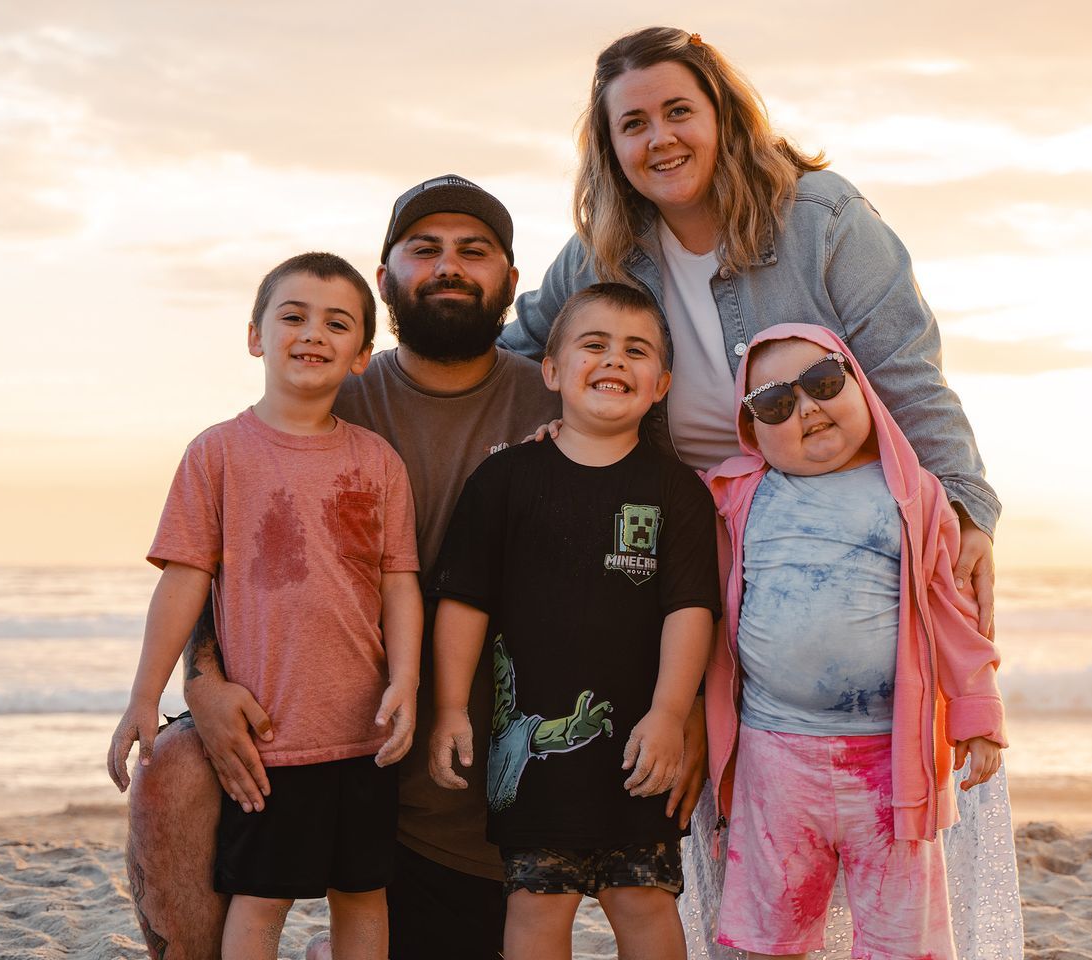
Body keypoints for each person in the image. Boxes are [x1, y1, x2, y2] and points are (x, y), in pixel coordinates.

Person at [119, 175, 572, 960]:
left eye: (475, 251)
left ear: (509, 278)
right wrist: (203, 682)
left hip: (462, 774)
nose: (448, 267)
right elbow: (214, 553)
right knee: (178, 767)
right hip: (303, 727)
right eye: (423, 250)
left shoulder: (556, 405)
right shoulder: (330, 397)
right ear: (386, 277)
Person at [499, 26, 1001, 634]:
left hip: (832, 545)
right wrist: (552, 426)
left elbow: (907, 375)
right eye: (633, 124)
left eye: (678, 111)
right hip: (681, 552)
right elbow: (516, 355)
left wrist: (962, 510)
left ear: (722, 116)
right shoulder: (600, 255)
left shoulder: (822, 220)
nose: (661, 139)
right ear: (611, 148)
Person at [106, 251, 422, 960]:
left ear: (362, 356)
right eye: (294, 316)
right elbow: (183, 581)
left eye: (337, 323)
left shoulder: (377, 462)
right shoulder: (216, 454)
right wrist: (143, 695)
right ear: (255, 336)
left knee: (363, 893)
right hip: (269, 737)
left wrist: (407, 680)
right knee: (262, 896)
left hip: (363, 732)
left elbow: (400, 582)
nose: (313, 333)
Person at [426, 283, 719, 960]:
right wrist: (448, 709)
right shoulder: (503, 481)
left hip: (639, 749)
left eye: (636, 350)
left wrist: (671, 714)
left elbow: (690, 610)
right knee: (535, 908)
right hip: (530, 757)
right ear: (552, 371)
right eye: (595, 344)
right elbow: (463, 602)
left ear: (660, 384)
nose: (615, 359)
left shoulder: (676, 491)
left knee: (644, 902)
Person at [701, 324, 1006, 959]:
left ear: (860, 386)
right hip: (773, 755)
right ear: (751, 430)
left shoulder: (912, 495)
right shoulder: (736, 496)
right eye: (776, 404)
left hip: (890, 763)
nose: (807, 407)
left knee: (903, 938)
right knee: (769, 934)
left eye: (822, 383)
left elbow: (954, 618)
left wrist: (977, 714)